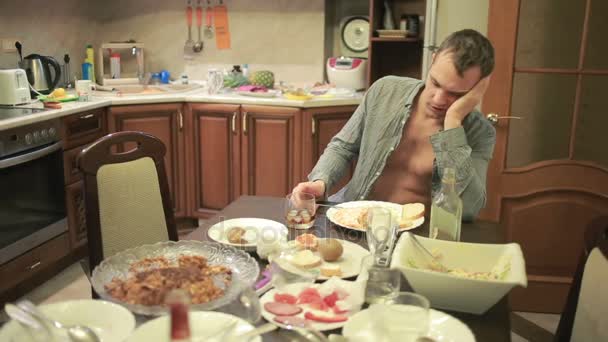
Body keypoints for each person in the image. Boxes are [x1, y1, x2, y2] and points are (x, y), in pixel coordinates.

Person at [292, 29, 496, 221]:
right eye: (435, 82)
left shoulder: (480, 132)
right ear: (432, 62)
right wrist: (320, 182)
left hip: (414, 235)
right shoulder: (385, 90)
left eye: (456, 94)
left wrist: (453, 123)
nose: (439, 99)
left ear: (476, 91)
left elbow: (469, 209)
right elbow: (343, 147)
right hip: (353, 218)